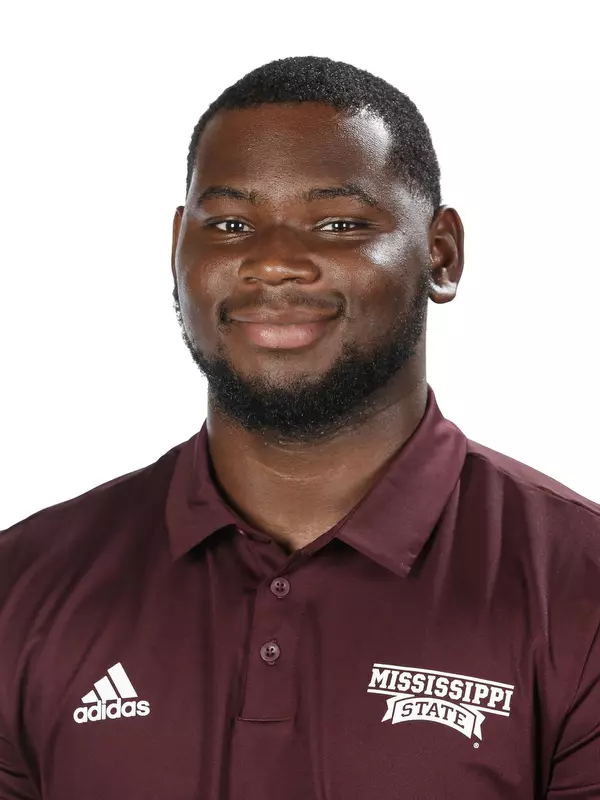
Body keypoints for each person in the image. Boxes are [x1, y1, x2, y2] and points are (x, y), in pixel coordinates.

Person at [1, 55, 599, 800]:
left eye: (341, 223)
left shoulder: (580, 586)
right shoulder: (21, 587)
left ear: (441, 254)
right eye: (230, 223)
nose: (274, 263)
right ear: (178, 250)